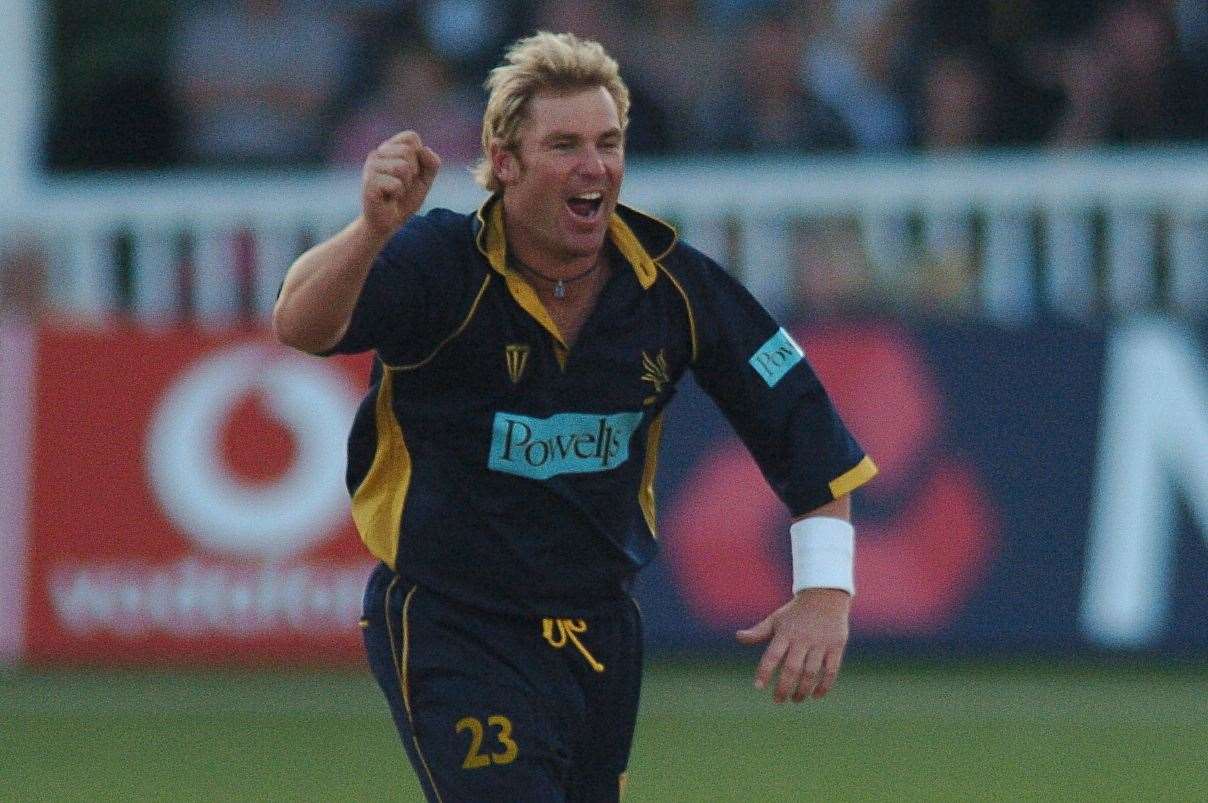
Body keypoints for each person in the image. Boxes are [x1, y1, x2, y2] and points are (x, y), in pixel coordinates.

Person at [273, 31, 877, 802]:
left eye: (608, 142)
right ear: (503, 162)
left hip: (600, 629)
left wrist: (826, 592)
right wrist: (370, 231)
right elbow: (301, 324)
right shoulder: (437, 263)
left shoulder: (672, 285)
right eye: (564, 144)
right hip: (454, 623)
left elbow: (798, 415)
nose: (594, 166)